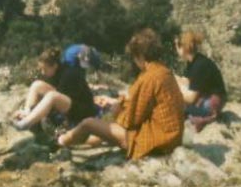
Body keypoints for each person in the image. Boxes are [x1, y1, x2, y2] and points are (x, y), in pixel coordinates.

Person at [58, 28, 185, 160]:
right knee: (99, 132)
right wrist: (119, 103)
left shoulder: (148, 78)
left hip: (156, 141)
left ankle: (60, 141)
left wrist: (116, 110)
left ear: (140, 55)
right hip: (172, 138)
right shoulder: (164, 72)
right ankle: (72, 140)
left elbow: (131, 121)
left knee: (88, 123)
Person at [12, 48, 97, 141]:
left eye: (44, 69)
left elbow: (65, 97)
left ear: (54, 66)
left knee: (52, 96)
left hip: (81, 110)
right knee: (37, 84)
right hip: (69, 101)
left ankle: (25, 124)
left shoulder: (69, 75)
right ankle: (27, 113)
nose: (42, 72)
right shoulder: (55, 73)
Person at [175, 31, 227, 132]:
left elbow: (191, 99)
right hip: (207, 98)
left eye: (177, 46)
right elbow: (186, 82)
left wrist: (174, 94)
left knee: (179, 109)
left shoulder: (200, 66)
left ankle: (203, 117)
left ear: (183, 48)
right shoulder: (194, 62)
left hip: (212, 103)